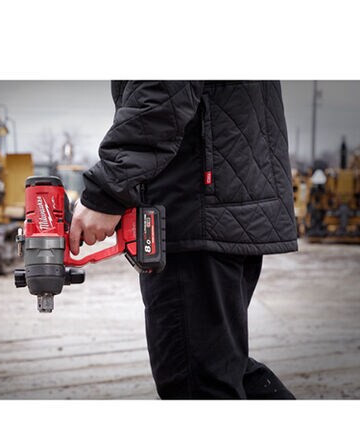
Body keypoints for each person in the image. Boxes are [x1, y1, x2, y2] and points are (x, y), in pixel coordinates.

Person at [69, 81, 298, 399]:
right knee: (219, 367)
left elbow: (161, 90)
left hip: (194, 205)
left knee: (196, 382)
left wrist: (107, 190)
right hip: (218, 202)